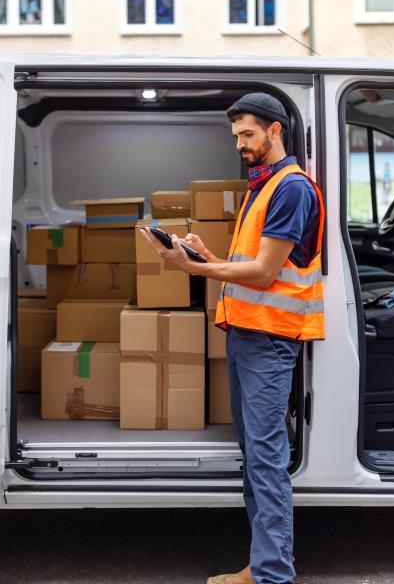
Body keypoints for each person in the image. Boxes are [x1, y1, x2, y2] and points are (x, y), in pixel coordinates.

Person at [139, 92, 325, 584]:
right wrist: (204, 253)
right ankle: (262, 566)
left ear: (275, 131)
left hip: (269, 340)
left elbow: (263, 274)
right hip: (247, 335)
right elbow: (252, 264)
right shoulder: (262, 186)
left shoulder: (290, 188)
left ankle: (271, 576)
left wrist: (191, 270)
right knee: (255, 458)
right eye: (236, 136)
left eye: (247, 135)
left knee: (266, 461)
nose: (240, 144)